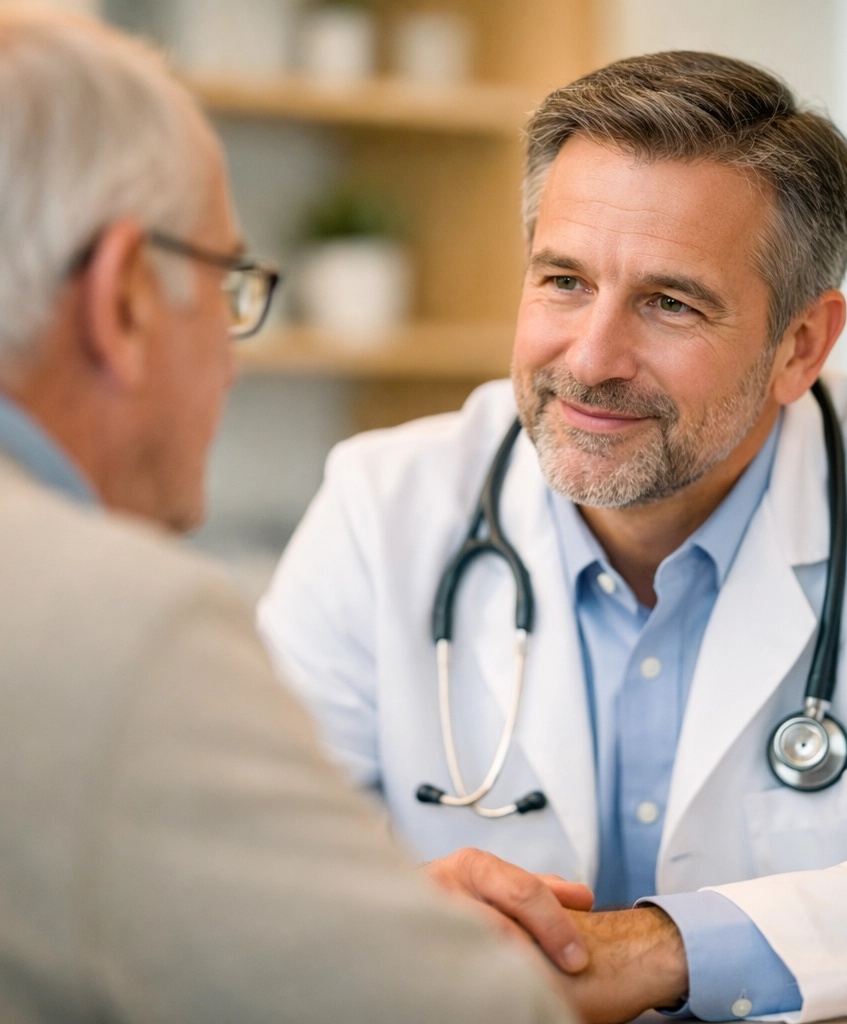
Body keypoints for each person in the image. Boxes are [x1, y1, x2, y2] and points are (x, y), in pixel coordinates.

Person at [260, 51, 847, 1023]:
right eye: (564, 281)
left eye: (669, 303)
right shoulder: (383, 506)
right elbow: (233, 860)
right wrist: (384, 919)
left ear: (800, 345)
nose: (591, 358)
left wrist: (658, 948)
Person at [0, 9, 588, 1022]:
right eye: (228, 288)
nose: (232, 361)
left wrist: (366, 915)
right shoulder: (118, 624)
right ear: (124, 299)